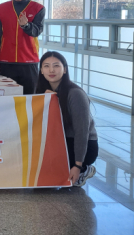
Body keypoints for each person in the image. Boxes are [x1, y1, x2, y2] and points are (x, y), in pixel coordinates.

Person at [36, 51, 98, 186]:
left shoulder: (75, 94)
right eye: (46, 66)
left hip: (81, 145)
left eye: (56, 65)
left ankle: (85, 169)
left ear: (64, 69)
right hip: (60, 139)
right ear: (41, 70)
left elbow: (81, 132)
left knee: (58, 174)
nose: (51, 70)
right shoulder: (43, 91)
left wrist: (78, 165)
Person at [0, 0, 45, 94]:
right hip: (6, 61)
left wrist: (26, 26)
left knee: (29, 96)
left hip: (29, 61)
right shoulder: (1, 8)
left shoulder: (38, 8)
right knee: (7, 96)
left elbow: (37, 31)